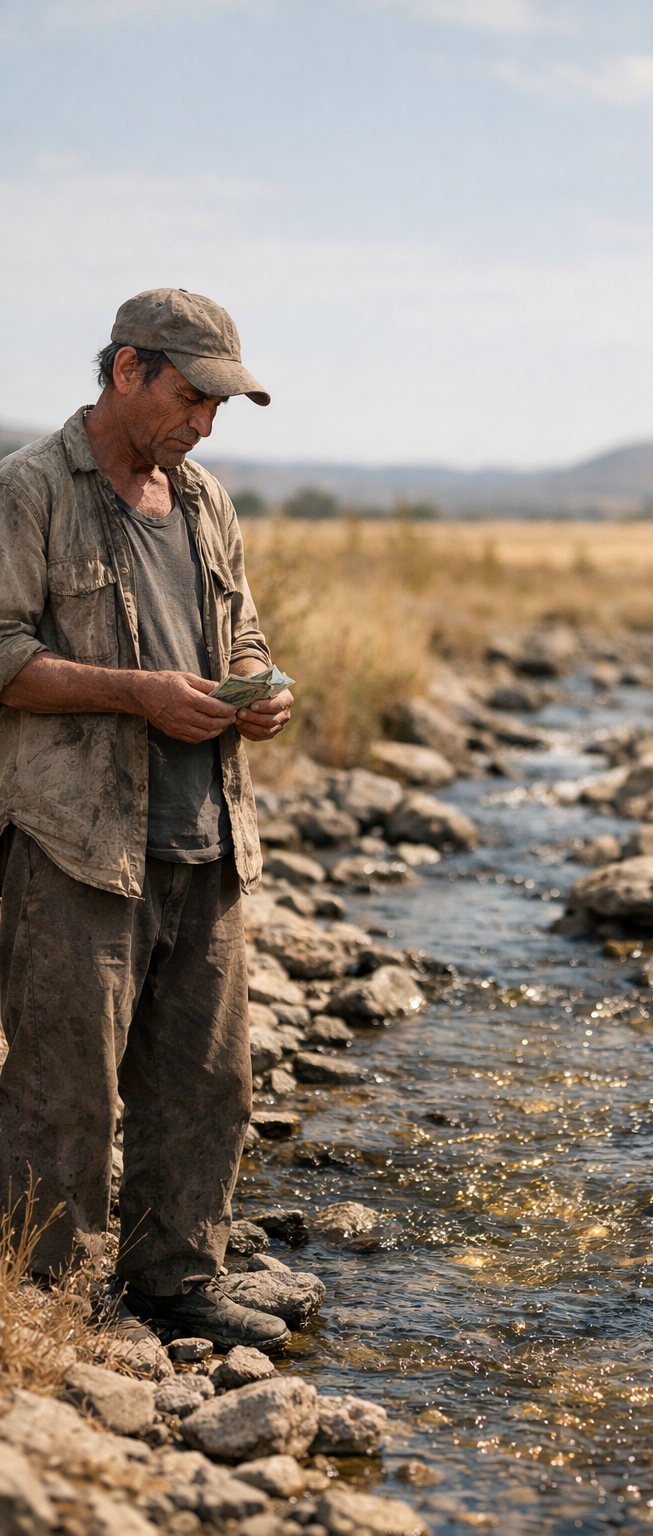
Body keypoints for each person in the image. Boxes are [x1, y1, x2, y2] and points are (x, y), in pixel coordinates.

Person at [0, 288, 295, 1348]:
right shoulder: (29, 490)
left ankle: (175, 1283)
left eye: (218, 406)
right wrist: (140, 692)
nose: (203, 422)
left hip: (208, 838)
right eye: (190, 396)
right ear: (126, 371)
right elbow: (1, 657)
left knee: (206, 1084)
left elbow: (242, 631)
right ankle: (47, 1308)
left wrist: (258, 690)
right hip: (76, 843)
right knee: (61, 1091)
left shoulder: (206, 499)